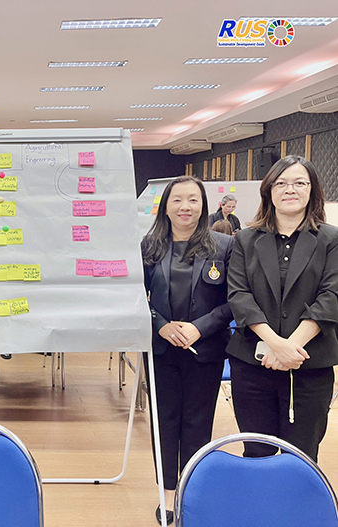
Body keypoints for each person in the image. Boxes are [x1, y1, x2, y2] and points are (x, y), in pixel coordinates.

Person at [227, 155, 338, 461]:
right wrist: (276, 345)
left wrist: (290, 348)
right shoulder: (246, 239)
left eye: (300, 183)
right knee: (257, 451)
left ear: (312, 190)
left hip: (309, 365)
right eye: (281, 183)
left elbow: (331, 296)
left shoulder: (331, 239)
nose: (290, 189)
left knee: (302, 454)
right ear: (269, 191)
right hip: (253, 365)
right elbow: (239, 295)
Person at [142, 175, 234, 525]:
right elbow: (135, 296)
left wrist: (200, 327)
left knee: (198, 422)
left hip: (205, 351)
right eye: (177, 200)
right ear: (165, 206)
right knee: (164, 423)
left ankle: (190, 493)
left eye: (193, 200)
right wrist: (161, 325)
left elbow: (235, 301)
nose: (185, 207)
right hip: (162, 351)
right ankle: (166, 496)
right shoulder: (150, 245)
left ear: (203, 205)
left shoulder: (224, 246)